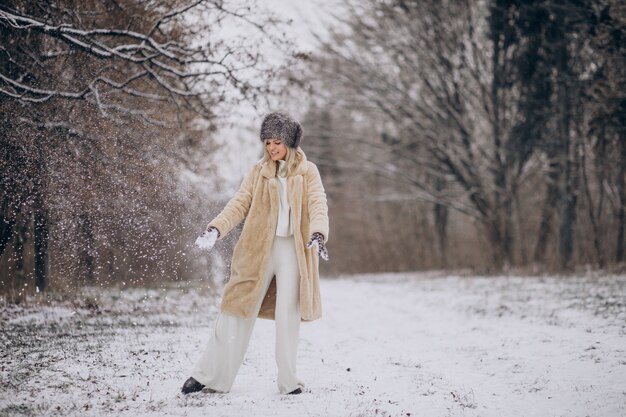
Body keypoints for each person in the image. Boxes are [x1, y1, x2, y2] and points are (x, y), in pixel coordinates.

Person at [181, 112, 329, 396]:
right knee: (234, 308)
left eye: (278, 142)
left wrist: (318, 232)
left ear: (291, 143)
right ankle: (210, 376)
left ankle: (289, 383)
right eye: (268, 142)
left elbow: (317, 203)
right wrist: (215, 229)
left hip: (293, 251)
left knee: (289, 315)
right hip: (257, 249)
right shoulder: (258, 171)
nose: (272, 148)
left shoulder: (308, 171)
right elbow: (239, 203)